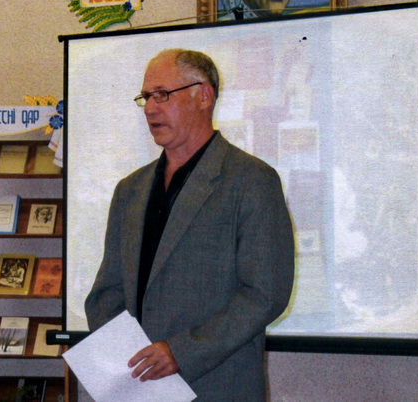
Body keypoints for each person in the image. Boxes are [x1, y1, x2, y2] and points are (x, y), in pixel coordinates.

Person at [85, 49, 294, 400]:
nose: (150, 108)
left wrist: (181, 352)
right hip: (138, 389)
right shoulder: (129, 190)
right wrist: (124, 360)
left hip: (216, 387)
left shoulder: (251, 180)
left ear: (204, 95)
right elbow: (107, 293)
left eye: (162, 94)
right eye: (146, 97)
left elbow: (265, 294)